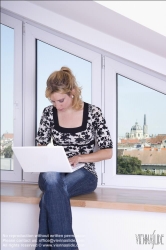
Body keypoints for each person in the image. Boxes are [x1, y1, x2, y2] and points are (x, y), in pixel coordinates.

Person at [35, 67, 113, 250]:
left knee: (49, 198)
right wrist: (47, 158)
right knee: (52, 178)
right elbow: (39, 147)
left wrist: (80, 157)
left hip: (84, 172)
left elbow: (107, 152)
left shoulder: (93, 113)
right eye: (52, 101)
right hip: (55, 171)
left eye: (60, 100)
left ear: (73, 92)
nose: (57, 105)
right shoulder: (48, 113)